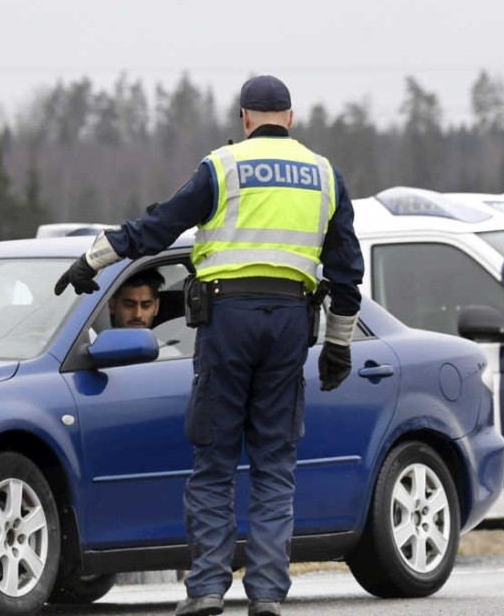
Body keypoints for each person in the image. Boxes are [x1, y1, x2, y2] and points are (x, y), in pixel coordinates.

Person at [54, 75, 363, 616]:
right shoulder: (325, 175)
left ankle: (207, 590)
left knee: (215, 461)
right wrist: (338, 346)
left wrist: (94, 260)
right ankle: (266, 594)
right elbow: (346, 273)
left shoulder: (223, 167)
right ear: (290, 116)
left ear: (245, 117)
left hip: (228, 322)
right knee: (274, 463)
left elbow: (157, 225)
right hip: (291, 322)